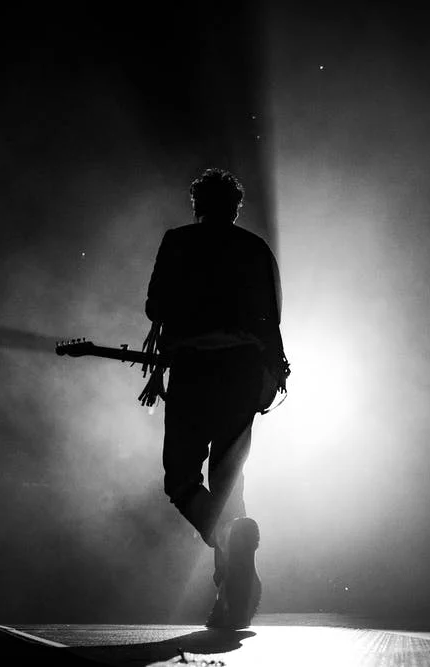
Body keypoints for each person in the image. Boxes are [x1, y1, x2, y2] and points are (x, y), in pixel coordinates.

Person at [140, 168, 289, 629]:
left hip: (195, 370)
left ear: (197, 204)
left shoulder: (178, 241)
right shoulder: (255, 248)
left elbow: (155, 306)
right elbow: (272, 317)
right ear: (236, 207)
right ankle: (231, 602)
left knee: (182, 479)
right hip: (243, 374)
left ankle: (225, 538)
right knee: (229, 484)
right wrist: (273, 371)